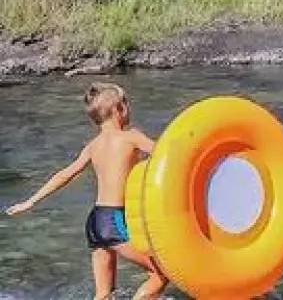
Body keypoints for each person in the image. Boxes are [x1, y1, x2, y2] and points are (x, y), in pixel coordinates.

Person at [5, 83, 168, 299]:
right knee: (161, 274)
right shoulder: (132, 137)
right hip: (114, 220)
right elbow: (166, 154)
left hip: (95, 221)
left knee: (103, 294)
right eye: (127, 103)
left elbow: (65, 174)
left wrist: (30, 201)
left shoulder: (92, 146)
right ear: (119, 109)